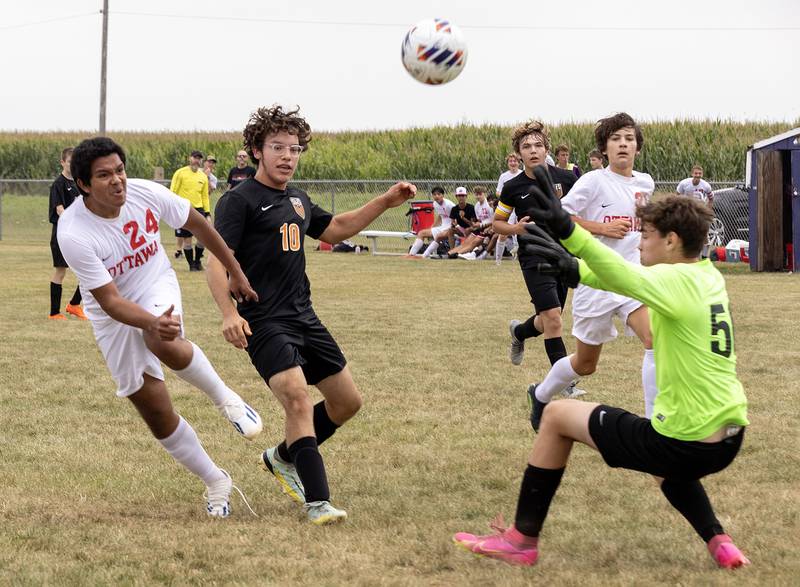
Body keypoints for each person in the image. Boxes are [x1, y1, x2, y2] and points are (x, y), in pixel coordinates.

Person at [454, 166, 750, 570]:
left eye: (645, 236)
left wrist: (570, 235)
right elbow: (623, 279)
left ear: (672, 240)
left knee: (557, 415)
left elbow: (621, 275)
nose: (638, 243)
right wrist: (576, 271)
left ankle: (521, 540)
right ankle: (720, 542)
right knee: (665, 464)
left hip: (689, 441)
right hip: (728, 438)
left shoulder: (671, 281)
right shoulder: (706, 277)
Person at [206, 105, 416, 525]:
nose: (287, 155)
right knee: (298, 399)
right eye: (277, 147)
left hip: (305, 317)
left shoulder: (298, 199)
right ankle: (318, 501)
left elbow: (335, 229)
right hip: (263, 321)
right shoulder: (238, 200)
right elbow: (216, 261)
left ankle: (283, 456)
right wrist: (229, 313)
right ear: (256, 150)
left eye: (295, 148)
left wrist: (385, 201)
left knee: (346, 403)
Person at [57, 136, 264, 518]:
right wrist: (151, 320)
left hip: (155, 282)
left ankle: (227, 400)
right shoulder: (73, 232)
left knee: (161, 339)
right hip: (112, 311)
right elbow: (111, 302)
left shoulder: (144, 192)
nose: (117, 180)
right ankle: (216, 480)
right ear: (84, 185)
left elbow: (199, 225)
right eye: (104, 175)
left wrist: (235, 271)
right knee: (154, 410)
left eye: (119, 170)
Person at [526, 113, 658, 420]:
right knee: (586, 365)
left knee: (655, 340)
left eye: (629, 138)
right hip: (595, 281)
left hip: (632, 279)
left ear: (637, 146)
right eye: (616, 139)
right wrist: (602, 228)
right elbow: (561, 218)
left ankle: (655, 427)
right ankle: (541, 394)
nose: (623, 144)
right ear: (604, 147)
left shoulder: (645, 183)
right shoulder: (593, 181)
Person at [493, 120, 581, 398]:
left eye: (538, 145)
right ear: (518, 153)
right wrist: (516, 229)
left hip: (564, 256)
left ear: (547, 149)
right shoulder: (513, 187)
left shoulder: (567, 180)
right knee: (553, 319)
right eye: (526, 146)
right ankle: (565, 383)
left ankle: (519, 332)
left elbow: (582, 213)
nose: (533, 150)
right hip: (533, 257)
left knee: (548, 320)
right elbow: (497, 224)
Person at [48, 147, 87, 321]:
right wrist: (73, 222)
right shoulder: (59, 184)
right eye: (70, 162)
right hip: (62, 235)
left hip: (78, 234)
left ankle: (74, 305)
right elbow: (60, 210)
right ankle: (54, 313)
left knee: (89, 270)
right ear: (63, 162)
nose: (73, 165)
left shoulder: (78, 183)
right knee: (60, 272)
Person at [170, 150, 210, 271]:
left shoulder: (203, 176)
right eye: (194, 157)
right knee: (187, 239)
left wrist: (207, 213)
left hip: (199, 210)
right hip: (184, 209)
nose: (197, 160)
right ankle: (191, 265)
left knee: (202, 238)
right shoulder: (180, 173)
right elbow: (173, 191)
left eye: (199, 158)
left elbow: (205, 196)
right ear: (189, 158)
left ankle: (197, 261)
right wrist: (174, 208)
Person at [406, 186, 454, 259]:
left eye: (439, 194)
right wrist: (432, 228)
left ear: (443, 195)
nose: (436, 196)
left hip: (452, 227)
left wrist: (452, 228)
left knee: (439, 236)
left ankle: (423, 256)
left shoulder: (449, 205)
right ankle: (411, 255)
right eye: (434, 194)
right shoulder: (435, 204)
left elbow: (457, 218)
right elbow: (440, 216)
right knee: (422, 233)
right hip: (443, 227)